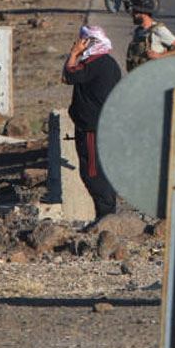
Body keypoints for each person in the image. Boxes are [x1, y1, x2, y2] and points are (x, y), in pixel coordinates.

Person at [62, 25, 122, 221]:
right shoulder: (109, 62)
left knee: (93, 173)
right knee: (101, 170)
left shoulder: (95, 63)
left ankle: (106, 217)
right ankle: (105, 216)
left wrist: (73, 53)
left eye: (82, 41)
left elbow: (68, 74)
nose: (77, 44)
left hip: (92, 128)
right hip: (102, 125)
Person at [126, 7, 175, 71]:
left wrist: (160, 56)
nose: (133, 16)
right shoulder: (138, 30)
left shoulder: (158, 29)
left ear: (145, 15)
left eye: (135, 13)